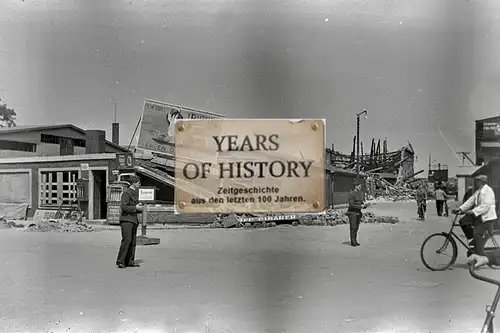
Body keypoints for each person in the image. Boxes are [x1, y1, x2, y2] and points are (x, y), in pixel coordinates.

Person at [453, 174, 497, 257]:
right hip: (479, 215)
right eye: (476, 181)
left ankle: (479, 254)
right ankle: (472, 239)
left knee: (478, 234)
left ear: (482, 182)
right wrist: (461, 209)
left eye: (478, 181)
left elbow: (485, 206)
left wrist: (473, 211)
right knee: (463, 221)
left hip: (487, 217)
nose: (476, 182)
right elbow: (471, 200)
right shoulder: (479, 191)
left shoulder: (488, 191)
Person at [116, 174, 143, 269]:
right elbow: (124, 207)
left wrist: (140, 208)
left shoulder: (135, 193)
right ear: (134, 183)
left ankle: (130, 261)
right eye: (139, 182)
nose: (140, 184)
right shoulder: (127, 193)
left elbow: (135, 208)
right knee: (127, 240)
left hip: (133, 220)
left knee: (132, 241)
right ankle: (121, 261)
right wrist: (135, 207)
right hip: (126, 220)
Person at [346, 181, 367, 247]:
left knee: (356, 228)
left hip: (358, 213)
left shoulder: (359, 193)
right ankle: (353, 242)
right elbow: (351, 205)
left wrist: (365, 205)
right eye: (359, 186)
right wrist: (360, 206)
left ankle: (355, 240)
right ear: (355, 186)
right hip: (352, 213)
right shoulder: (351, 194)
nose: (360, 187)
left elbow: (361, 202)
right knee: (353, 227)